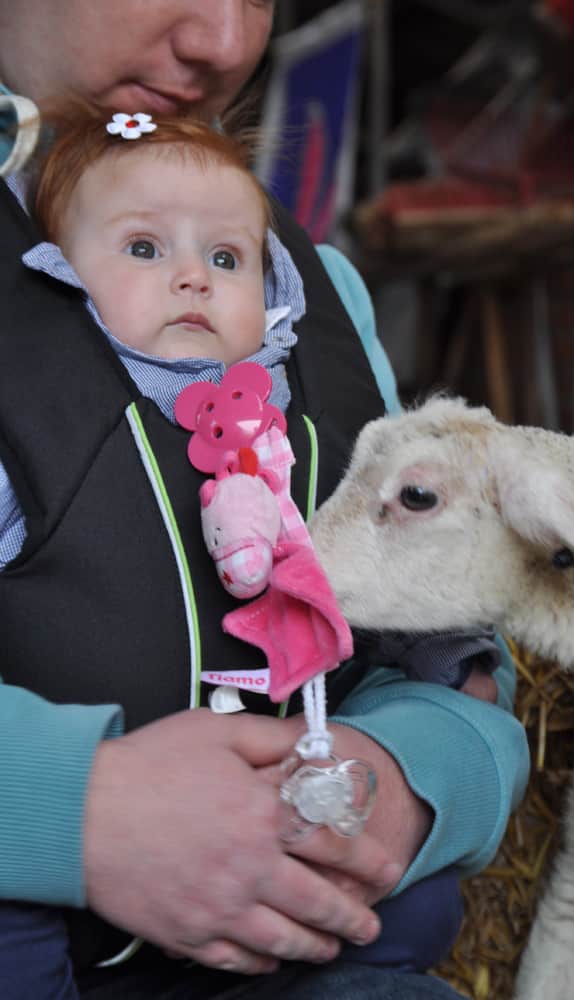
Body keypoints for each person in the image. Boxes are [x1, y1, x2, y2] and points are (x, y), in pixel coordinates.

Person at [0, 4, 532, 999]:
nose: (224, 42)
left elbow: (466, 667)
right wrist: (72, 807)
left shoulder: (312, 290)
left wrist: (408, 782)